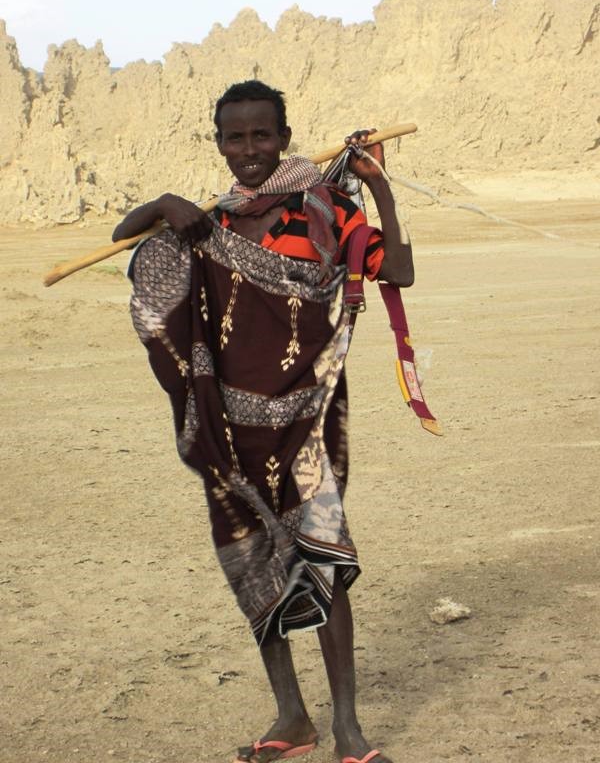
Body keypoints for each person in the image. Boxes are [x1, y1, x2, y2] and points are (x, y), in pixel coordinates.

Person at [113, 80, 414, 763]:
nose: (248, 150)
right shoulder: (211, 220)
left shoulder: (326, 209)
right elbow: (124, 238)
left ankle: (348, 730)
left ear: (283, 136)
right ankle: (291, 718)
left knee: (324, 558)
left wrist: (381, 191)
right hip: (230, 423)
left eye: (261, 135)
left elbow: (397, 269)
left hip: (307, 417)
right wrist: (163, 204)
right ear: (219, 143)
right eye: (234, 137)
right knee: (253, 558)